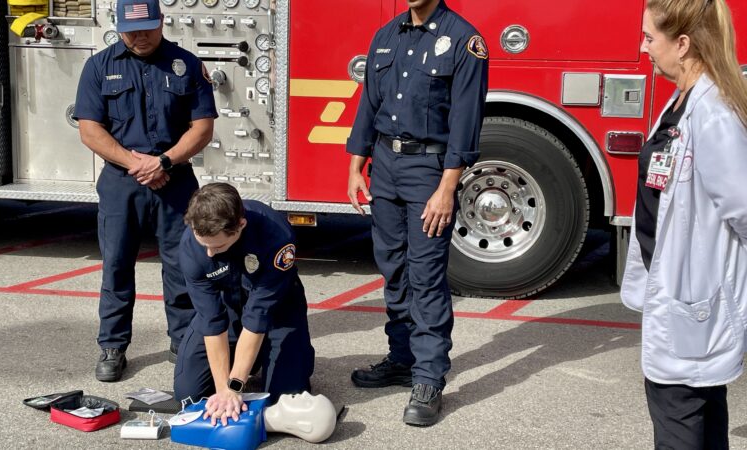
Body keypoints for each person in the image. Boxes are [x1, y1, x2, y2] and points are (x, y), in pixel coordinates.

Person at [345, 0, 488, 427]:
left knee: (425, 276)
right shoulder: (386, 36)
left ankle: (428, 379)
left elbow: (466, 119)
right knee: (393, 270)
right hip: (385, 165)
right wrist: (356, 165)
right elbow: (369, 104)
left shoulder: (465, 40)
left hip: (430, 170)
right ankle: (402, 359)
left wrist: (447, 187)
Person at [621, 0, 747, 448]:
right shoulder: (682, 102)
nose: (642, 48)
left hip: (694, 304)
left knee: (680, 427)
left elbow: (744, 208)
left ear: (683, 44)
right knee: (705, 423)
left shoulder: (711, 115)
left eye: (649, 38)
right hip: (682, 301)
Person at [73, 0, 216, 382]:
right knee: (117, 266)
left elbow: (202, 127)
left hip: (175, 180)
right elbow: (90, 129)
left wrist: (164, 162)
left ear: (162, 22)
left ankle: (183, 340)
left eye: (148, 28)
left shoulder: (185, 64)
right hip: (123, 183)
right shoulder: (99, 66)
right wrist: (136, 163)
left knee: (183, 265)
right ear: (118, 27)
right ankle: (112, 346)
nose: (140, 36)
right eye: (132, 30)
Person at [173, 183, 315, 426]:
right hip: (227, 305)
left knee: (283, 398)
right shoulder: (191, 247)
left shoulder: (276, 237)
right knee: (189, 394)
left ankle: (273, 355)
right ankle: (248, 359)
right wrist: (224, 391)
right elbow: (211, 321)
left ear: (240, 225)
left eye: (217, 246)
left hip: (277, 307)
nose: (209, 253)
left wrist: (236, 385)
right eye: (203, 243)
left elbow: (258, 317)